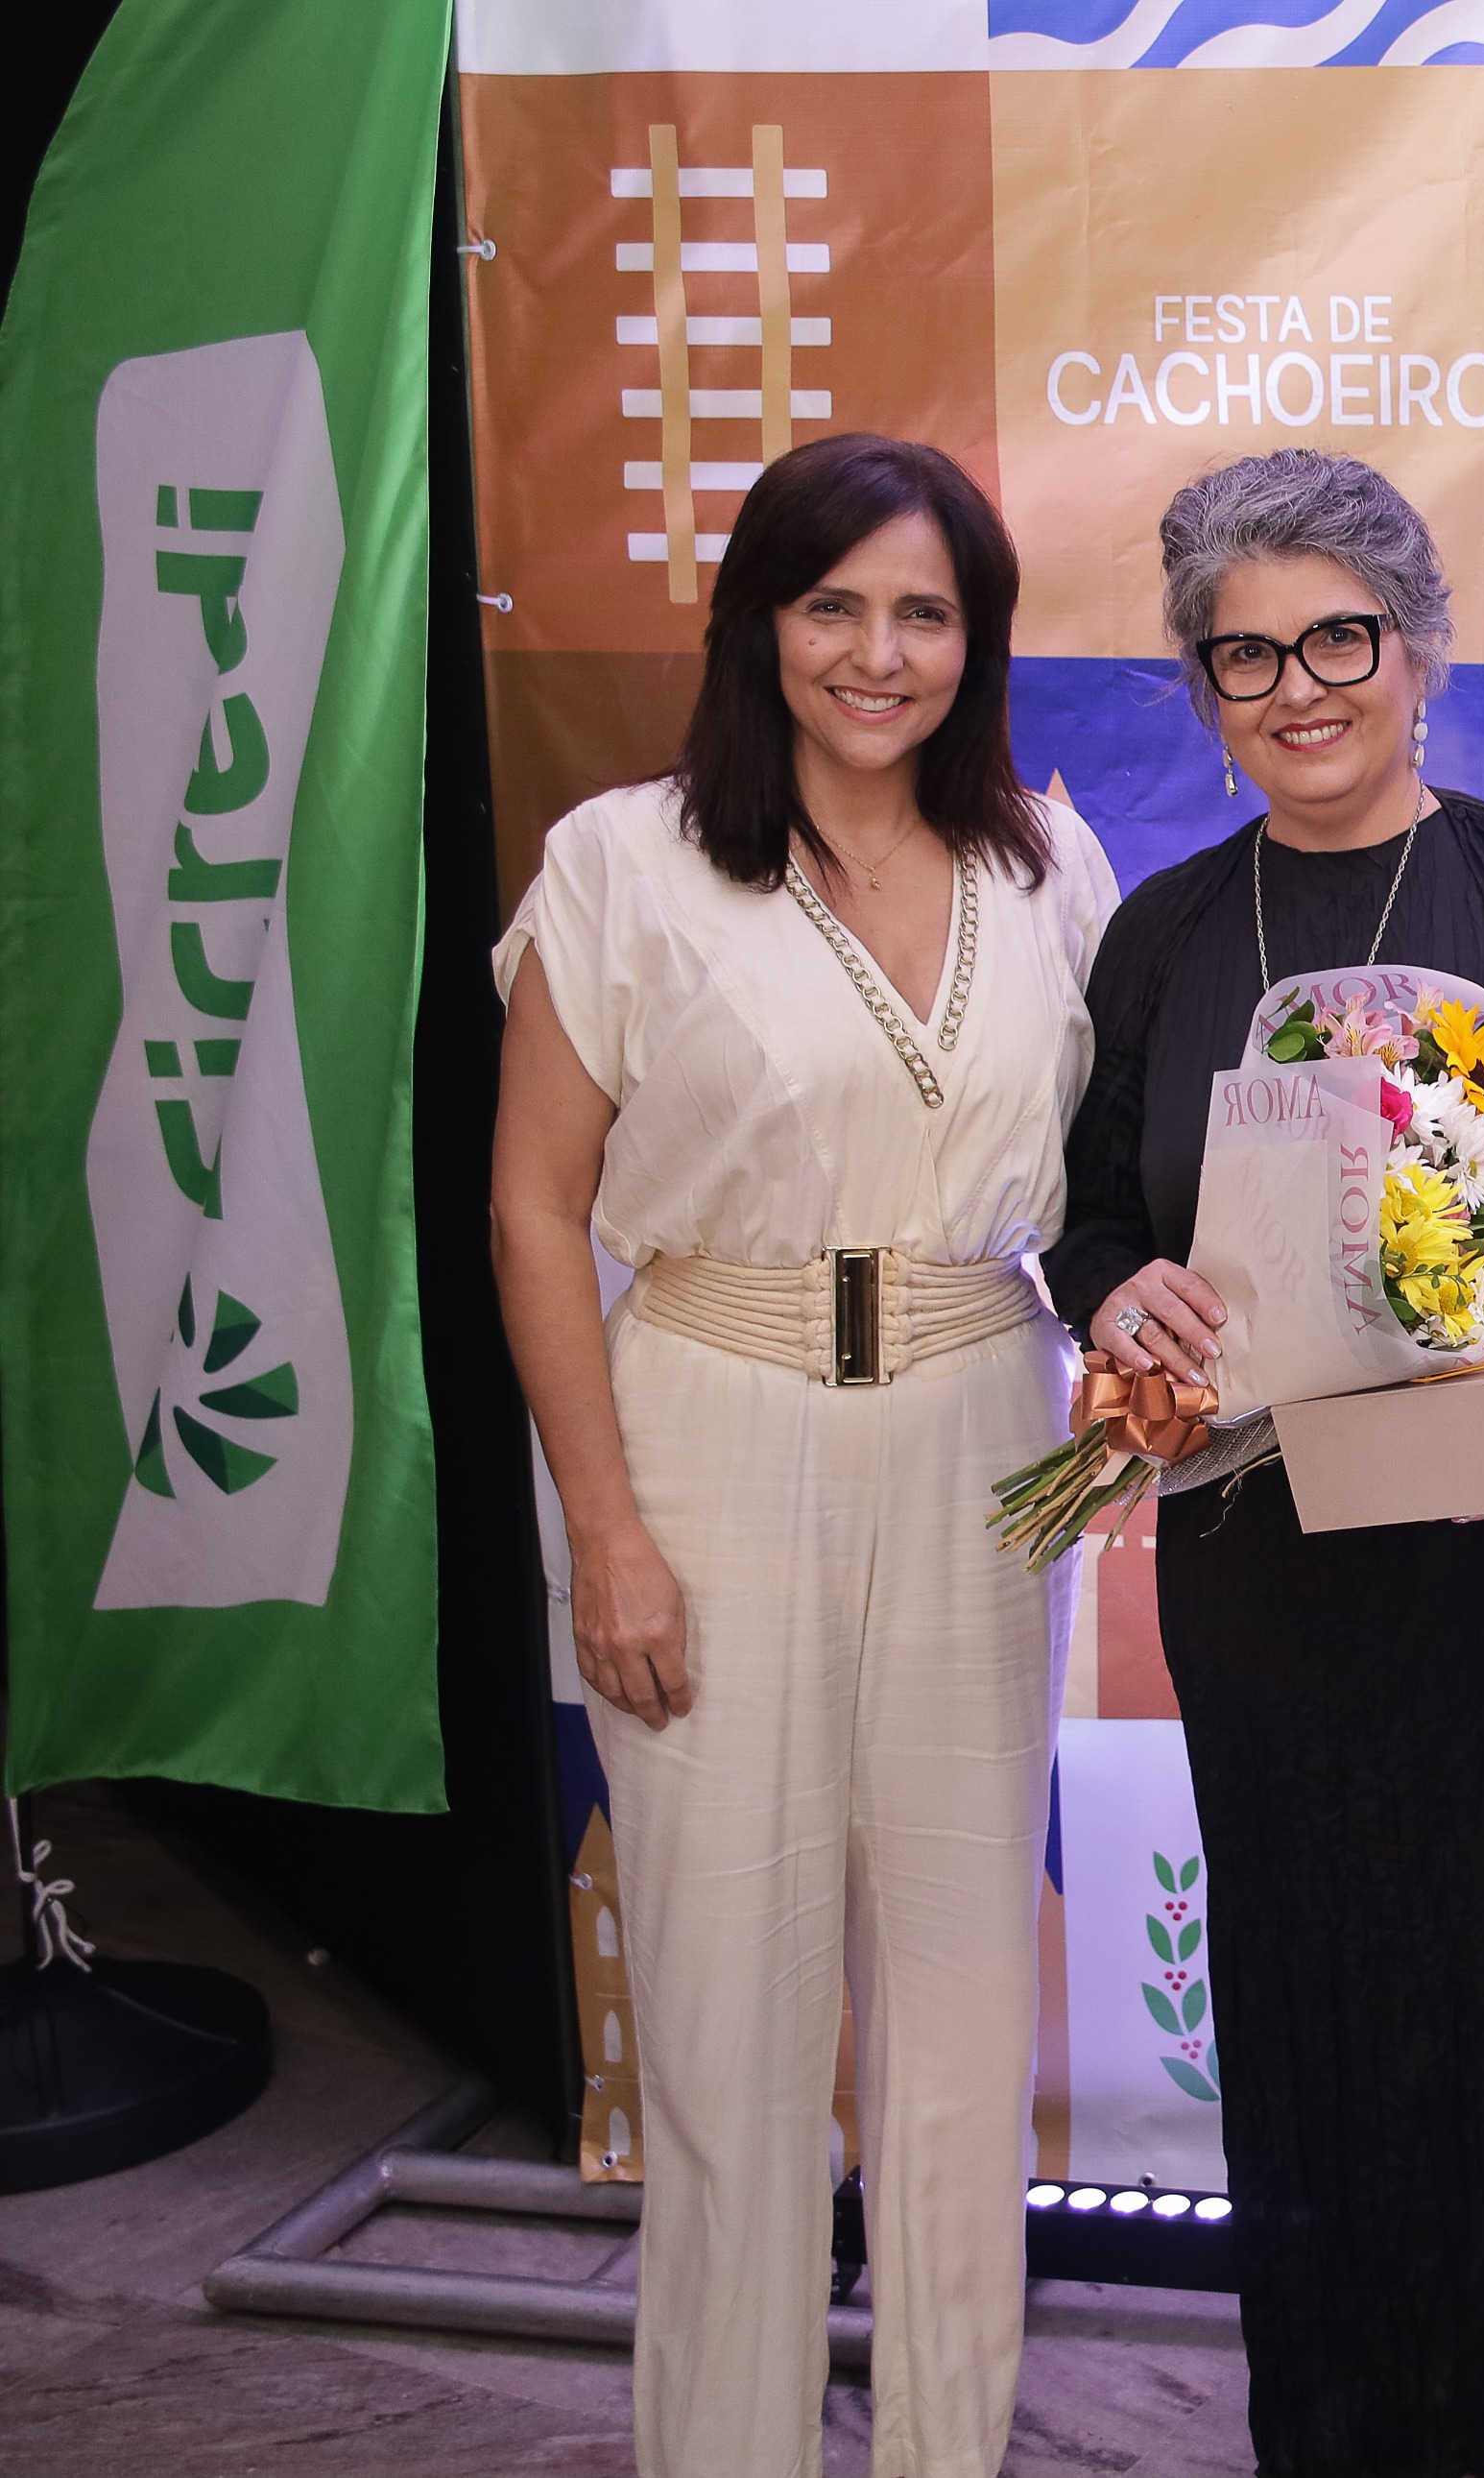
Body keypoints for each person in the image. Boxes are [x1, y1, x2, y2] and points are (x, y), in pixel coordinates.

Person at [1043, 448, 1484, 2478]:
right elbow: (1090, 1219)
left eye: (1338, 638)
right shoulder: (1163, 935)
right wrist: (1125, 1303)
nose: (1298, 689)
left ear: (1417, 651)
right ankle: (1345, 2431)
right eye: (1245, 656)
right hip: (1278, 1573)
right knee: (1317, 1994)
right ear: (1203, 689)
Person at [490, 432, 1117, 2478]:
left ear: (978, 639)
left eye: (925, 611)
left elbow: (1115, 1193)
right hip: (707, 1425)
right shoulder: (626, 860)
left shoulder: (1053, 864)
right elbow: (531, 1208)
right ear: (758, 620)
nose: (878, 652)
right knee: (726, 2028)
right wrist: (605, 1529)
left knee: (961, 2021)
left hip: (985, 1431)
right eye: (832, 604)